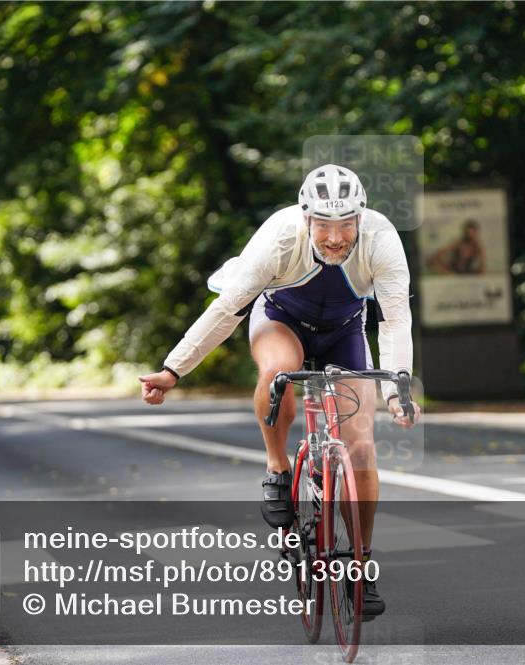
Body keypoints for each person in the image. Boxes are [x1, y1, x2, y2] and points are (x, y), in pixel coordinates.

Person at [139, 164, 420, 619]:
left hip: (345, 330)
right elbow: (227, 309)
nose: (334, 238)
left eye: (345, 224)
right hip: (280, 320)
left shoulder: (382, 239)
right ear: (306, 218)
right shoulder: (279, 235)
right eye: (323, 225)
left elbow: (395, 320)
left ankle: (360, 565)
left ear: (360, 217)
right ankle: (277, 467)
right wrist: (174, 370)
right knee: (277, 372)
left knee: (362, 448)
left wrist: (396, 389)